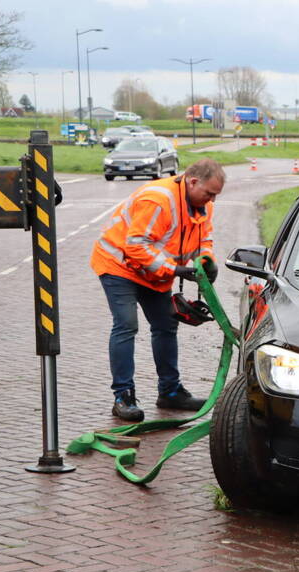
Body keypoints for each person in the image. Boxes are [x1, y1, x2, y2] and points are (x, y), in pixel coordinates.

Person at [91, 159, 225, 422]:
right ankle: (123, 396)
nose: (212, 200)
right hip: (120, 266)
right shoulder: (158, 200)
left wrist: (206, 260)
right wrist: (175, 269)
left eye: (215, 195)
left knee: (166, 324)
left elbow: (203, 239)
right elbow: (136, 246)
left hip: (153, 272)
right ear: (193, 182)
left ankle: (170, 392)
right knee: (126, 325)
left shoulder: (204, 205)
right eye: (209, 193)